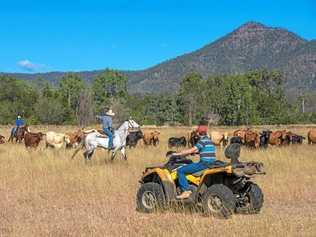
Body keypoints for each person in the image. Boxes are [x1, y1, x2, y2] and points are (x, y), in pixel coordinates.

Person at [173, 122, 216, 199]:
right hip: (212, 163)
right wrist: (196, 153)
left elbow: (192, 150)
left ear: (198, 133)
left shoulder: (202, 141)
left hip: (204, 164)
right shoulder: (209, 141)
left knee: (180, 171)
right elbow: (202, 151)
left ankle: (186, 191)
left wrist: (178, 154)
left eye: (197, 132)